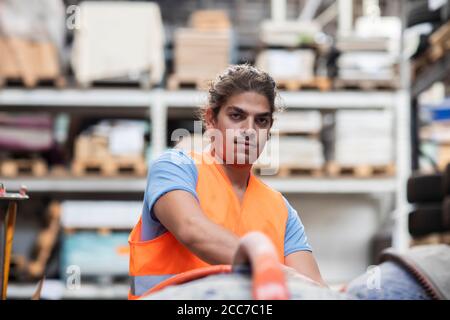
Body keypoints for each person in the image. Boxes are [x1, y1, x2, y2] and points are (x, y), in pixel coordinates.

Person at [128, 64, 324, 299]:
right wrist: (275, 270)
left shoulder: (281, 211)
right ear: (211, 120)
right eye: (236, 116)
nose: (249, 131)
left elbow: (314, 289)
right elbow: (193, 230)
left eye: (261, 121)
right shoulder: (175, 167)